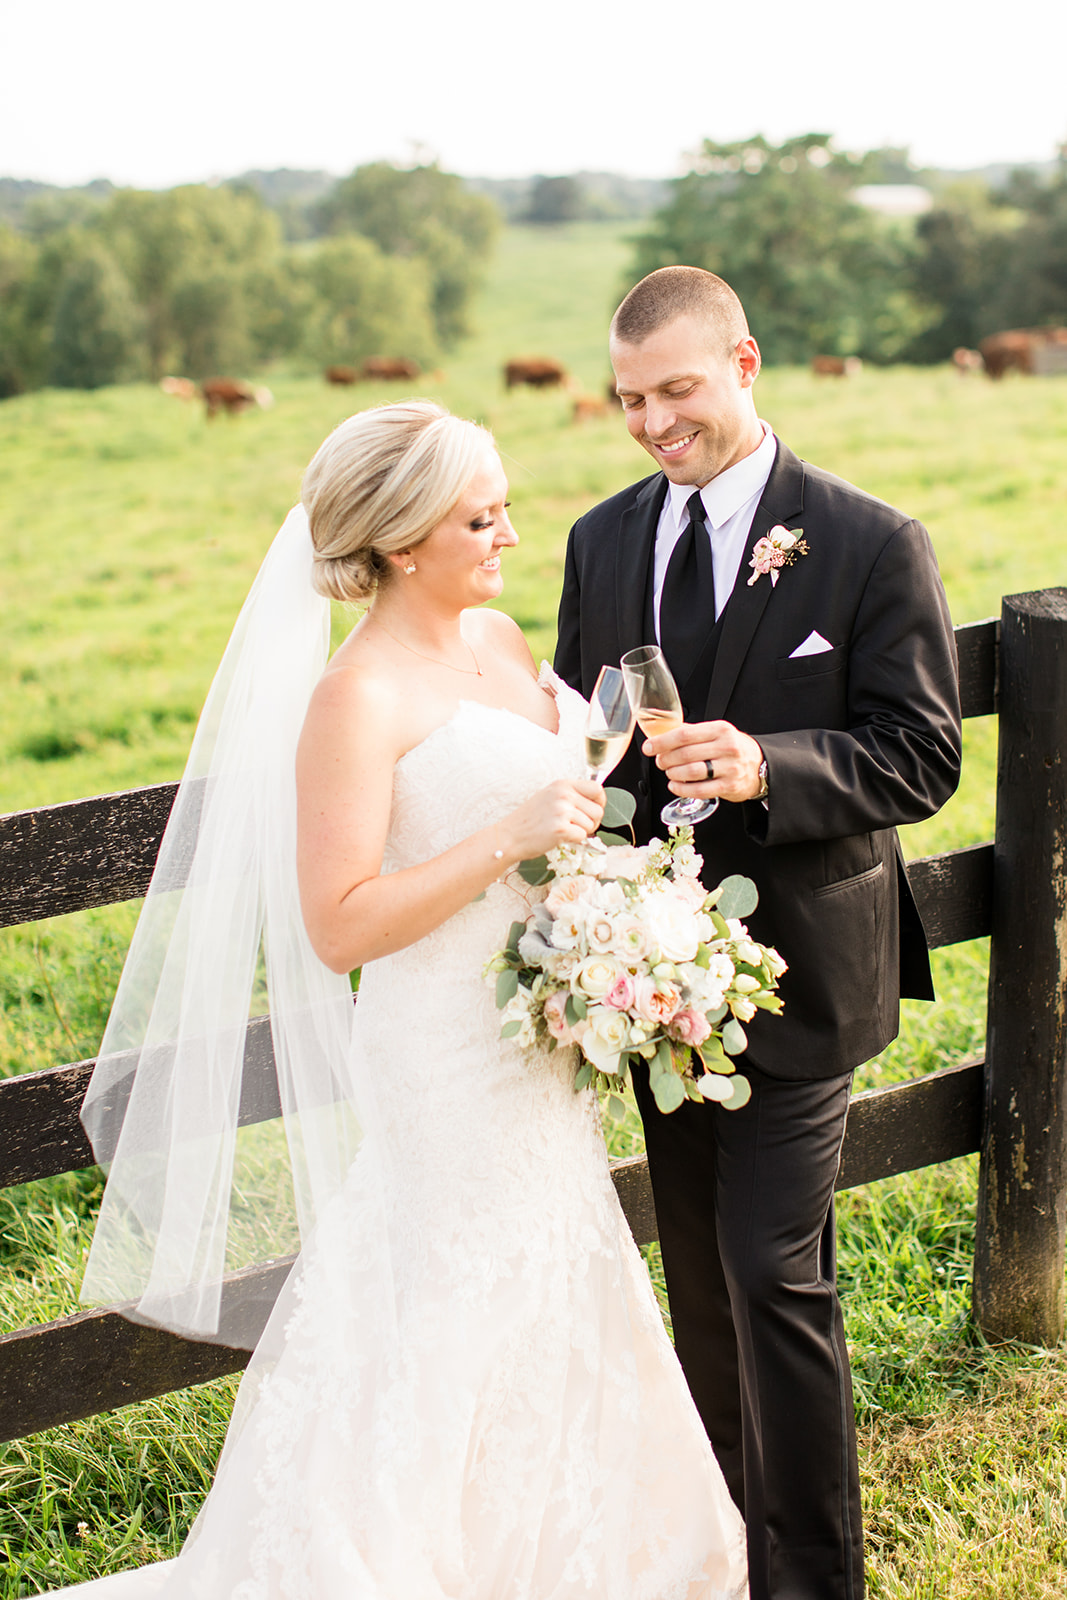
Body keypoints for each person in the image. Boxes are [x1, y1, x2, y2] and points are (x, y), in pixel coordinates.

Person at [60, 400, 749, 1597]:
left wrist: (619, 910)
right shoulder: (354, 699)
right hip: (439, 1046)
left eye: (502, 507)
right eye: (480, 516)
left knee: (558, 1266)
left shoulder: (494, 637)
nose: (510, 535)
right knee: (446, 1288)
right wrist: (508, 836)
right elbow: (337, 926)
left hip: (537, 1035)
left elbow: (562, 800)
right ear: (397, 539)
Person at [554, 267, 962, 1600]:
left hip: (803, 976)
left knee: (764, 1271)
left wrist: (768, 767)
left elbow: (918, 757)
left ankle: (813, 1578)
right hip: (649, 982)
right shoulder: (601, 542)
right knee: (698, 1280)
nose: (654, 424)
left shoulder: (862, 541)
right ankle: (725, 1549)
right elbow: (589, 747)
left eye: (676, 391)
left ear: (743, 363)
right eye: (628, 401)